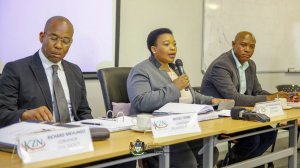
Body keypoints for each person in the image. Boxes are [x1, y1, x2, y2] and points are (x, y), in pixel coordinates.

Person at [127, 28, 226, 168]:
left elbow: (190, 96)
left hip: (182, 127)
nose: (173, 48)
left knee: (210, 152)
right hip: (156, 131)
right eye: (167, 44)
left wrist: (211, 100)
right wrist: (174, 87)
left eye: (174, 44)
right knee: (188, 163)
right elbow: (141, 101)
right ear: (154, 49)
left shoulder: (175, 69)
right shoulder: (141, 70)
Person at [200, 31, 283, 167]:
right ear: (233, 44)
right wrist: (268, 97)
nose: (248, 50)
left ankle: (245, 164)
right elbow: (234, 98)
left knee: (269, 133)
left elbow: (257, 91)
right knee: (252, 139)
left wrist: (278, 97)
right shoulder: (221, 65)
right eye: (243, 45)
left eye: (252, 47)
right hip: (218, 116)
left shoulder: (251, 64)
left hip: (238, 114)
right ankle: (230, 163)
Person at [0, 16, 93, 128]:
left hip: (75, 137)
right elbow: (3, 114)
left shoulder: (75, 71)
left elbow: (84, 113)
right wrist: (24, 115)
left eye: (65, 41)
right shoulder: (15, 69)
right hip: (38, 139)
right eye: (53, 38)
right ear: (42, 37)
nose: (59, 45)